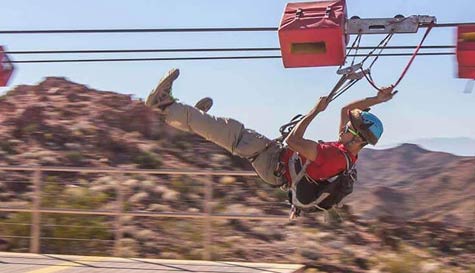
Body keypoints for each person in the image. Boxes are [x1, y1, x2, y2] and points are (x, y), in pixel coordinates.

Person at [145, 68, 396, 206]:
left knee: (231, 132)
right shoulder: (347, 153)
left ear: (358, 139)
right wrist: (378, 99)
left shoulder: (333, 156)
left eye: (349, 128)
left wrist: (313, 112)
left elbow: (294, 142)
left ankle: (164, 105)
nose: (344, 128)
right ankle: (189, 118)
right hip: (277, 161)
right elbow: (344, 110)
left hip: (274, 162)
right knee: (226, 132)